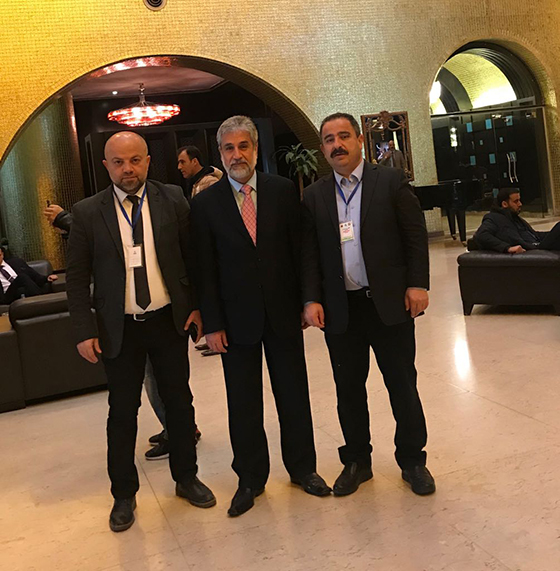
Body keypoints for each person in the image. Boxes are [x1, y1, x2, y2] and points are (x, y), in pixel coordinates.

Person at [66, 131, 215, 533]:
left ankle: (186, 477)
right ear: (106, 166)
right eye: (118, 162)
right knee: (122, 412)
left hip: (168, 321)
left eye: (135, 160)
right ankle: (123, 494)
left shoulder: (173, 199)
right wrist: (83, 330)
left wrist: (197, 306)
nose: (127, 169)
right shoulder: (87, 213)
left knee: (179, 403)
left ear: (148, 161)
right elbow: (76, 280)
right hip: (119, 329)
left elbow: (192, 258)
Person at [191, 115, 330, 517]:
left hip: (284, 313)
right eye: (229, 148)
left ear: (255, 149)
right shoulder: (205, 204)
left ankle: (303, 469)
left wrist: (308, 299)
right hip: (235, 322)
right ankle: (250, 479)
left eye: (243, 146)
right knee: (243, 403)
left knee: (294, 394)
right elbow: (204, 269)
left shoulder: (282, 191)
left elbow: (303, 250)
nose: (237, 155)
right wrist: (213, 324)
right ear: (220, 154)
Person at [302, 112, 435, 497]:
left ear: (360, 140)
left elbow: (415, 237)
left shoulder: (390, 182)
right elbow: (309, 254)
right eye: (329, 140)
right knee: (348, 390)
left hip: (389, 304)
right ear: (322, 148)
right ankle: (357, 461)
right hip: (341, 310)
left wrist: (418, 284)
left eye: (344, 136)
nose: (337, 145)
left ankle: (412, 460)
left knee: (402, 385)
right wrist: (311, 298)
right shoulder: (314, 195)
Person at [473, 188, 560, 253]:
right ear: (504, 204)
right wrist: (507, 248)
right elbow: (481, 235)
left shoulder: (514, 218)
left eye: (519, 200)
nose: (520, 204)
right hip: (533, 248)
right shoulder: (493, 218)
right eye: (516, 201)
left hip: (537, 244)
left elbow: (534, 235)